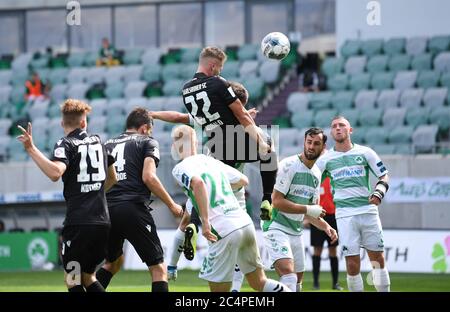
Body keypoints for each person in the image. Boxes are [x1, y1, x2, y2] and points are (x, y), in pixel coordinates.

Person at [151, 81, 256, 291]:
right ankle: (234, 289)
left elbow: (178, 118)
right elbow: (260, 154)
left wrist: (152, 114)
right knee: (234, 241)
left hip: (204, 175)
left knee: (188, 220)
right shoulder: (244, 128)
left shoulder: (209, 119)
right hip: (231, 188)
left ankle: (172, 265)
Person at [171, 125, 290, 292]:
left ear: (175, 146)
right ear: (196, 142)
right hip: (244, 222)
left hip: (223, 230)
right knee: (260, 283)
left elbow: (198, 183)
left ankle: (196, 224)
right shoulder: (212, 161)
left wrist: (205, 222)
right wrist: (221, 188)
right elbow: (243, 180)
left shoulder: (180, 168)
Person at [17, 99, 117, 292]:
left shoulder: (66, 143)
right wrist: (93, 191)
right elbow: (113, 178)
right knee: (88, 276)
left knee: (72, 279)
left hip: (79, 223)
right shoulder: (99, 142)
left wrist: (31, 149)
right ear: (84, 123)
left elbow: (55, 172)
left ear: (62, 124)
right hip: (103, 222)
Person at [182, 47, 277, 223]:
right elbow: (241, 115)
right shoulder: (218, 82)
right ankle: (267, 199)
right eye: (219, 67)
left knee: (211, 187)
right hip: (236, 140)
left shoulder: (186, 90)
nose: (220, 71)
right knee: (269, 146)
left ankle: (194, 226)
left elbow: (209, 115)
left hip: (215, 146)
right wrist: (261, 142)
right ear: (212, 66)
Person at [95, 107, 184, 292]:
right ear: (144, 128)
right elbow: (149, 177)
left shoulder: (107, 144)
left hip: (106, 209)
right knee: (158, 268)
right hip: (132, 208)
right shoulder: (147, 141)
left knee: (113, 263)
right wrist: (172, 204)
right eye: (149, 130)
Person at [315, 116, 391, 292]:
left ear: (350, 130)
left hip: (368, 211)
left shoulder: (366, 153)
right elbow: (312, 181)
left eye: (342, 125)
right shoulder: (326, 160)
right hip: (344, 215)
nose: (338, 128)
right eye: (334, 126)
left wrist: (379, 192)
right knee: (351, 263)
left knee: (377, 260)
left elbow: (384, 175)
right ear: (332, 133)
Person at [262, 128, 338, 292]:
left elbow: (311, 213)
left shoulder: (317, 174)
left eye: (316, 143)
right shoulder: (288, 165)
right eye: (308, 142)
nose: (311, 147)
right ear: (304, 142)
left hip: (296, 232)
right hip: (276, 226)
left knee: (297, 285)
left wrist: (326, 227)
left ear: (323, 146)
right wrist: (309, 209)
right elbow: (276, 201)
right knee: (289, 275)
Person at [310, 175, 343, 290]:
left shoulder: (334, 178)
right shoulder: (316, 178)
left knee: (333, 250)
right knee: (317, 250)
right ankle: (315, 283)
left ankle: (335, 283)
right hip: (317, 216)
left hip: (333, 217)